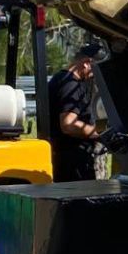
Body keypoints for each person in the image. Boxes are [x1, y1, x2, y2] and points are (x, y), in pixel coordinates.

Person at [45, 42, 104, 182]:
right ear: (86, 63)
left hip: (63, 157)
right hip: (73, 161)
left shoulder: (59, 79)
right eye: (96, 68)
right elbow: (68, 125)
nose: (94, 75)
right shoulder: (70, 85)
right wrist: (101, 134)